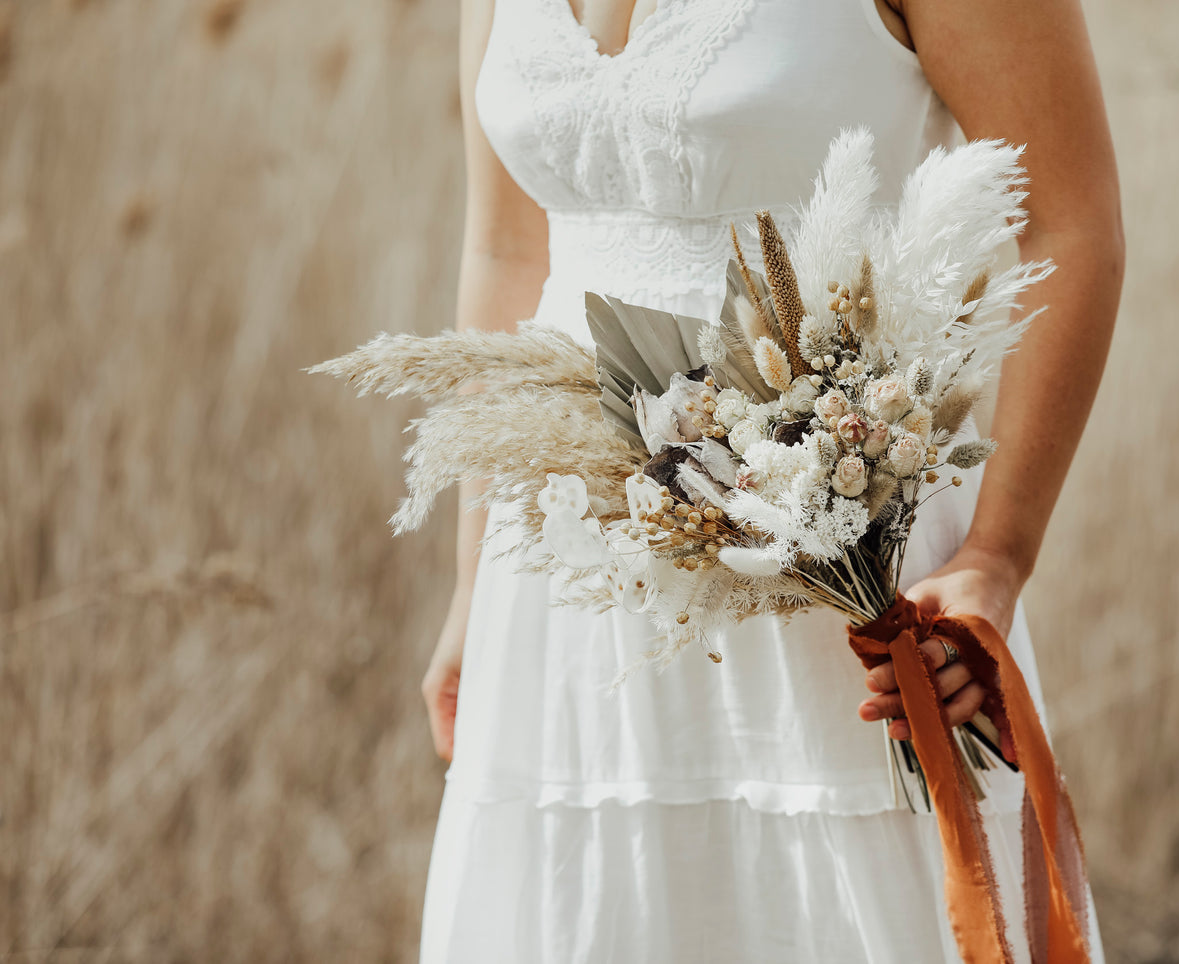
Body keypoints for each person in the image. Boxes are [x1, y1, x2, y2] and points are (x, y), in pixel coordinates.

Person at [419, 0, 1124, 958]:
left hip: (841, 552)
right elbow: (507, 249)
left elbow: (1068, 226)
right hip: (568, 577)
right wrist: (472, 583)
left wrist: (998, 558)